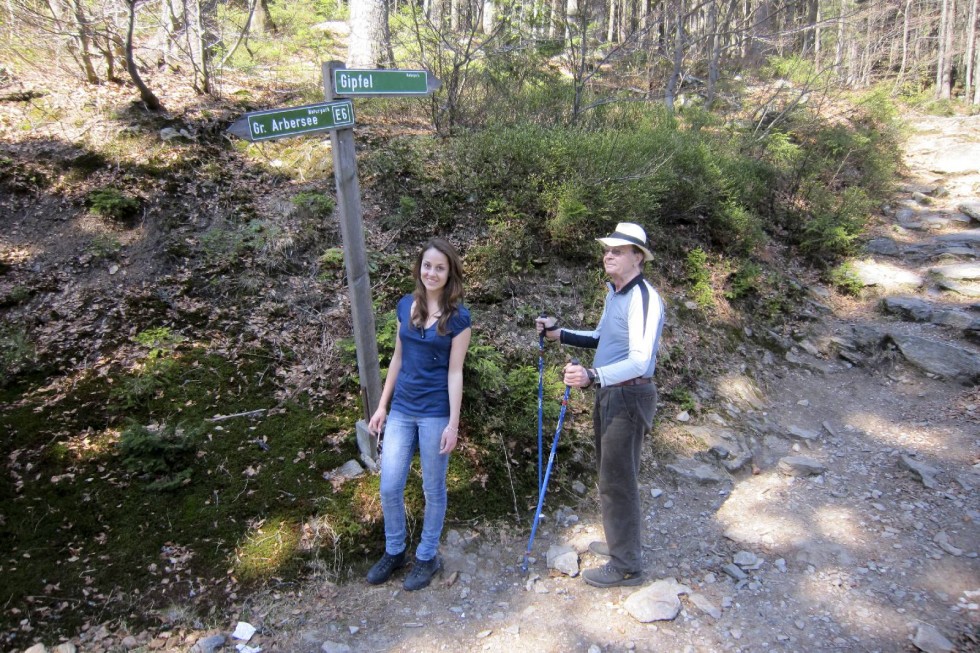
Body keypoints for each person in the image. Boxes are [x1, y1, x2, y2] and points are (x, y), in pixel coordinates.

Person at [535, 222, 665, 588]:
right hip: (612, 393)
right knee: (610, 474)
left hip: (629, 395)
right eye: (608, 249)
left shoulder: (644, 298)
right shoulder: (617, 294)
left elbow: (641, 361)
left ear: (638, 257)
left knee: (618, 480)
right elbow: (600, 337)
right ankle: (619, 545)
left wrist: (593, 376)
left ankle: (626, 566)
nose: (609, 254)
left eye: (619, 250)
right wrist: (558, 334)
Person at [366, 237, 472, 591]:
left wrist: (453, 424)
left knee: (432, 488)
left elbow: (455, 372)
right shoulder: (404, 307)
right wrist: (382, 405)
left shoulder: (459, 319)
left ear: (449, 273)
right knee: (390, 485)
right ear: (420, 268)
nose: (432, 272)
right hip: (401, 410)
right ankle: (395, 550)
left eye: (440, 267)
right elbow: (397, 358)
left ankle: (427, 556)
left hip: (435, 413)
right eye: (427, 265)